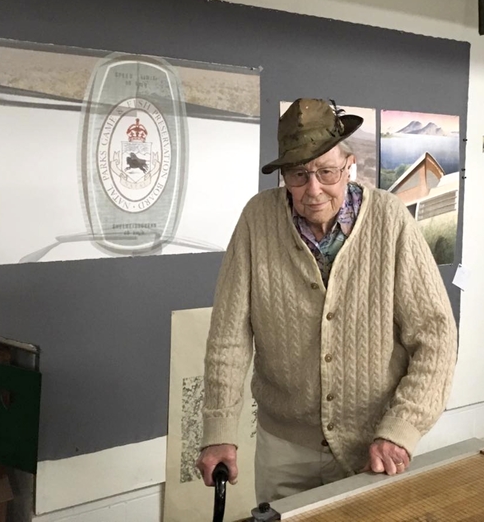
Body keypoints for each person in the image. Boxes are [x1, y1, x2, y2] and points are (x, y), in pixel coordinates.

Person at [195, 98, 458, 504]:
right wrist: (218, 431)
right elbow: (228, 336)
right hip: (283, 444)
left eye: (326, 172)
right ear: (284, 175)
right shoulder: (256, 220)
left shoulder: (390, 220)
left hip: (373, 443)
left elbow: (437, 336)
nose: (313, 189)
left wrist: (402, 428)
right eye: (298, 175)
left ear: (349, 165)